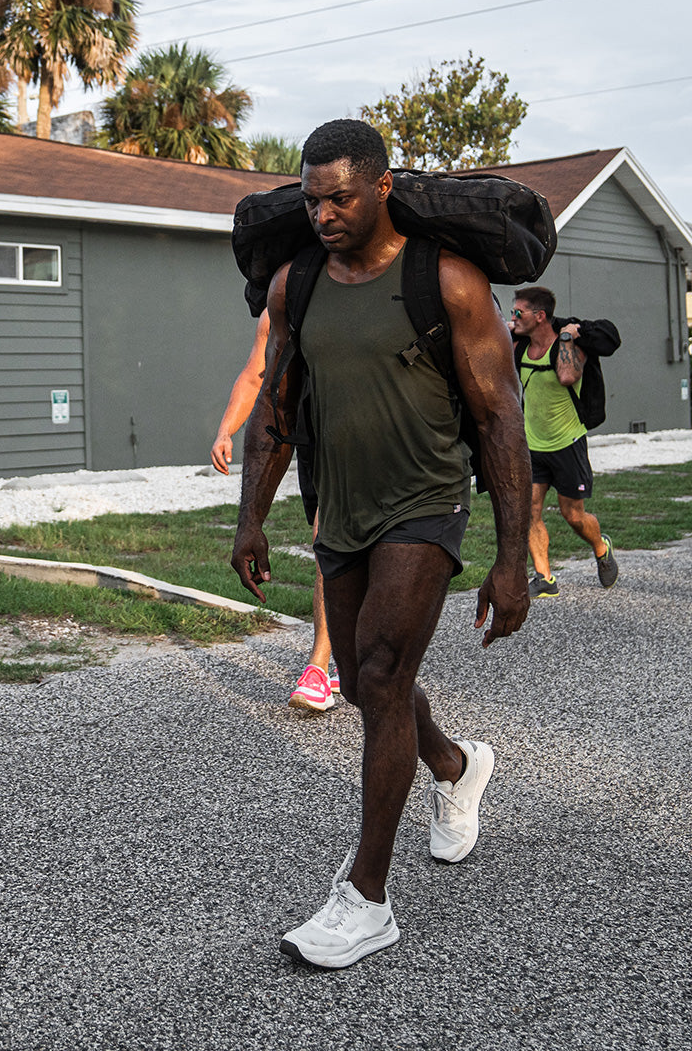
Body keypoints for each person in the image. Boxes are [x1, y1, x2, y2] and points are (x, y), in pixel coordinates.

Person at [232, 119, 530, 969]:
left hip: (426, 503)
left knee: (383, 672)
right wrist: (250, 516)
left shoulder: (450, 282)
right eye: (310, 197)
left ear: (382, 188)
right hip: (341, 507)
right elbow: (277, 407)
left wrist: (513, 562)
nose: (322, 212)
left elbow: (501, 420)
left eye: (339, 196)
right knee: (369, 685)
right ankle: (456, 763)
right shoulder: (299, 285)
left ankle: (365, 897)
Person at [212, 309, 339, 711]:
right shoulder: (283, 305)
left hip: (390, 439)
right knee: (326, 539)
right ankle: (320, 664)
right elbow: (256, 376)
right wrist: (226, 430)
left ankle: (352, 656)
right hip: (320, 442)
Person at [509, 286, 619, 599]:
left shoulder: (568, 345)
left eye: (519, 312)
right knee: (528, 511)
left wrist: (569, 337)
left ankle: (601, 547)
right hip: (533, 445)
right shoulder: (519, 344)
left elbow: (568, 377)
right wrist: (502, 331)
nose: (513, 317)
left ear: (540, 316)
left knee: (573, 515)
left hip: (567, 443)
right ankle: (544, 577)